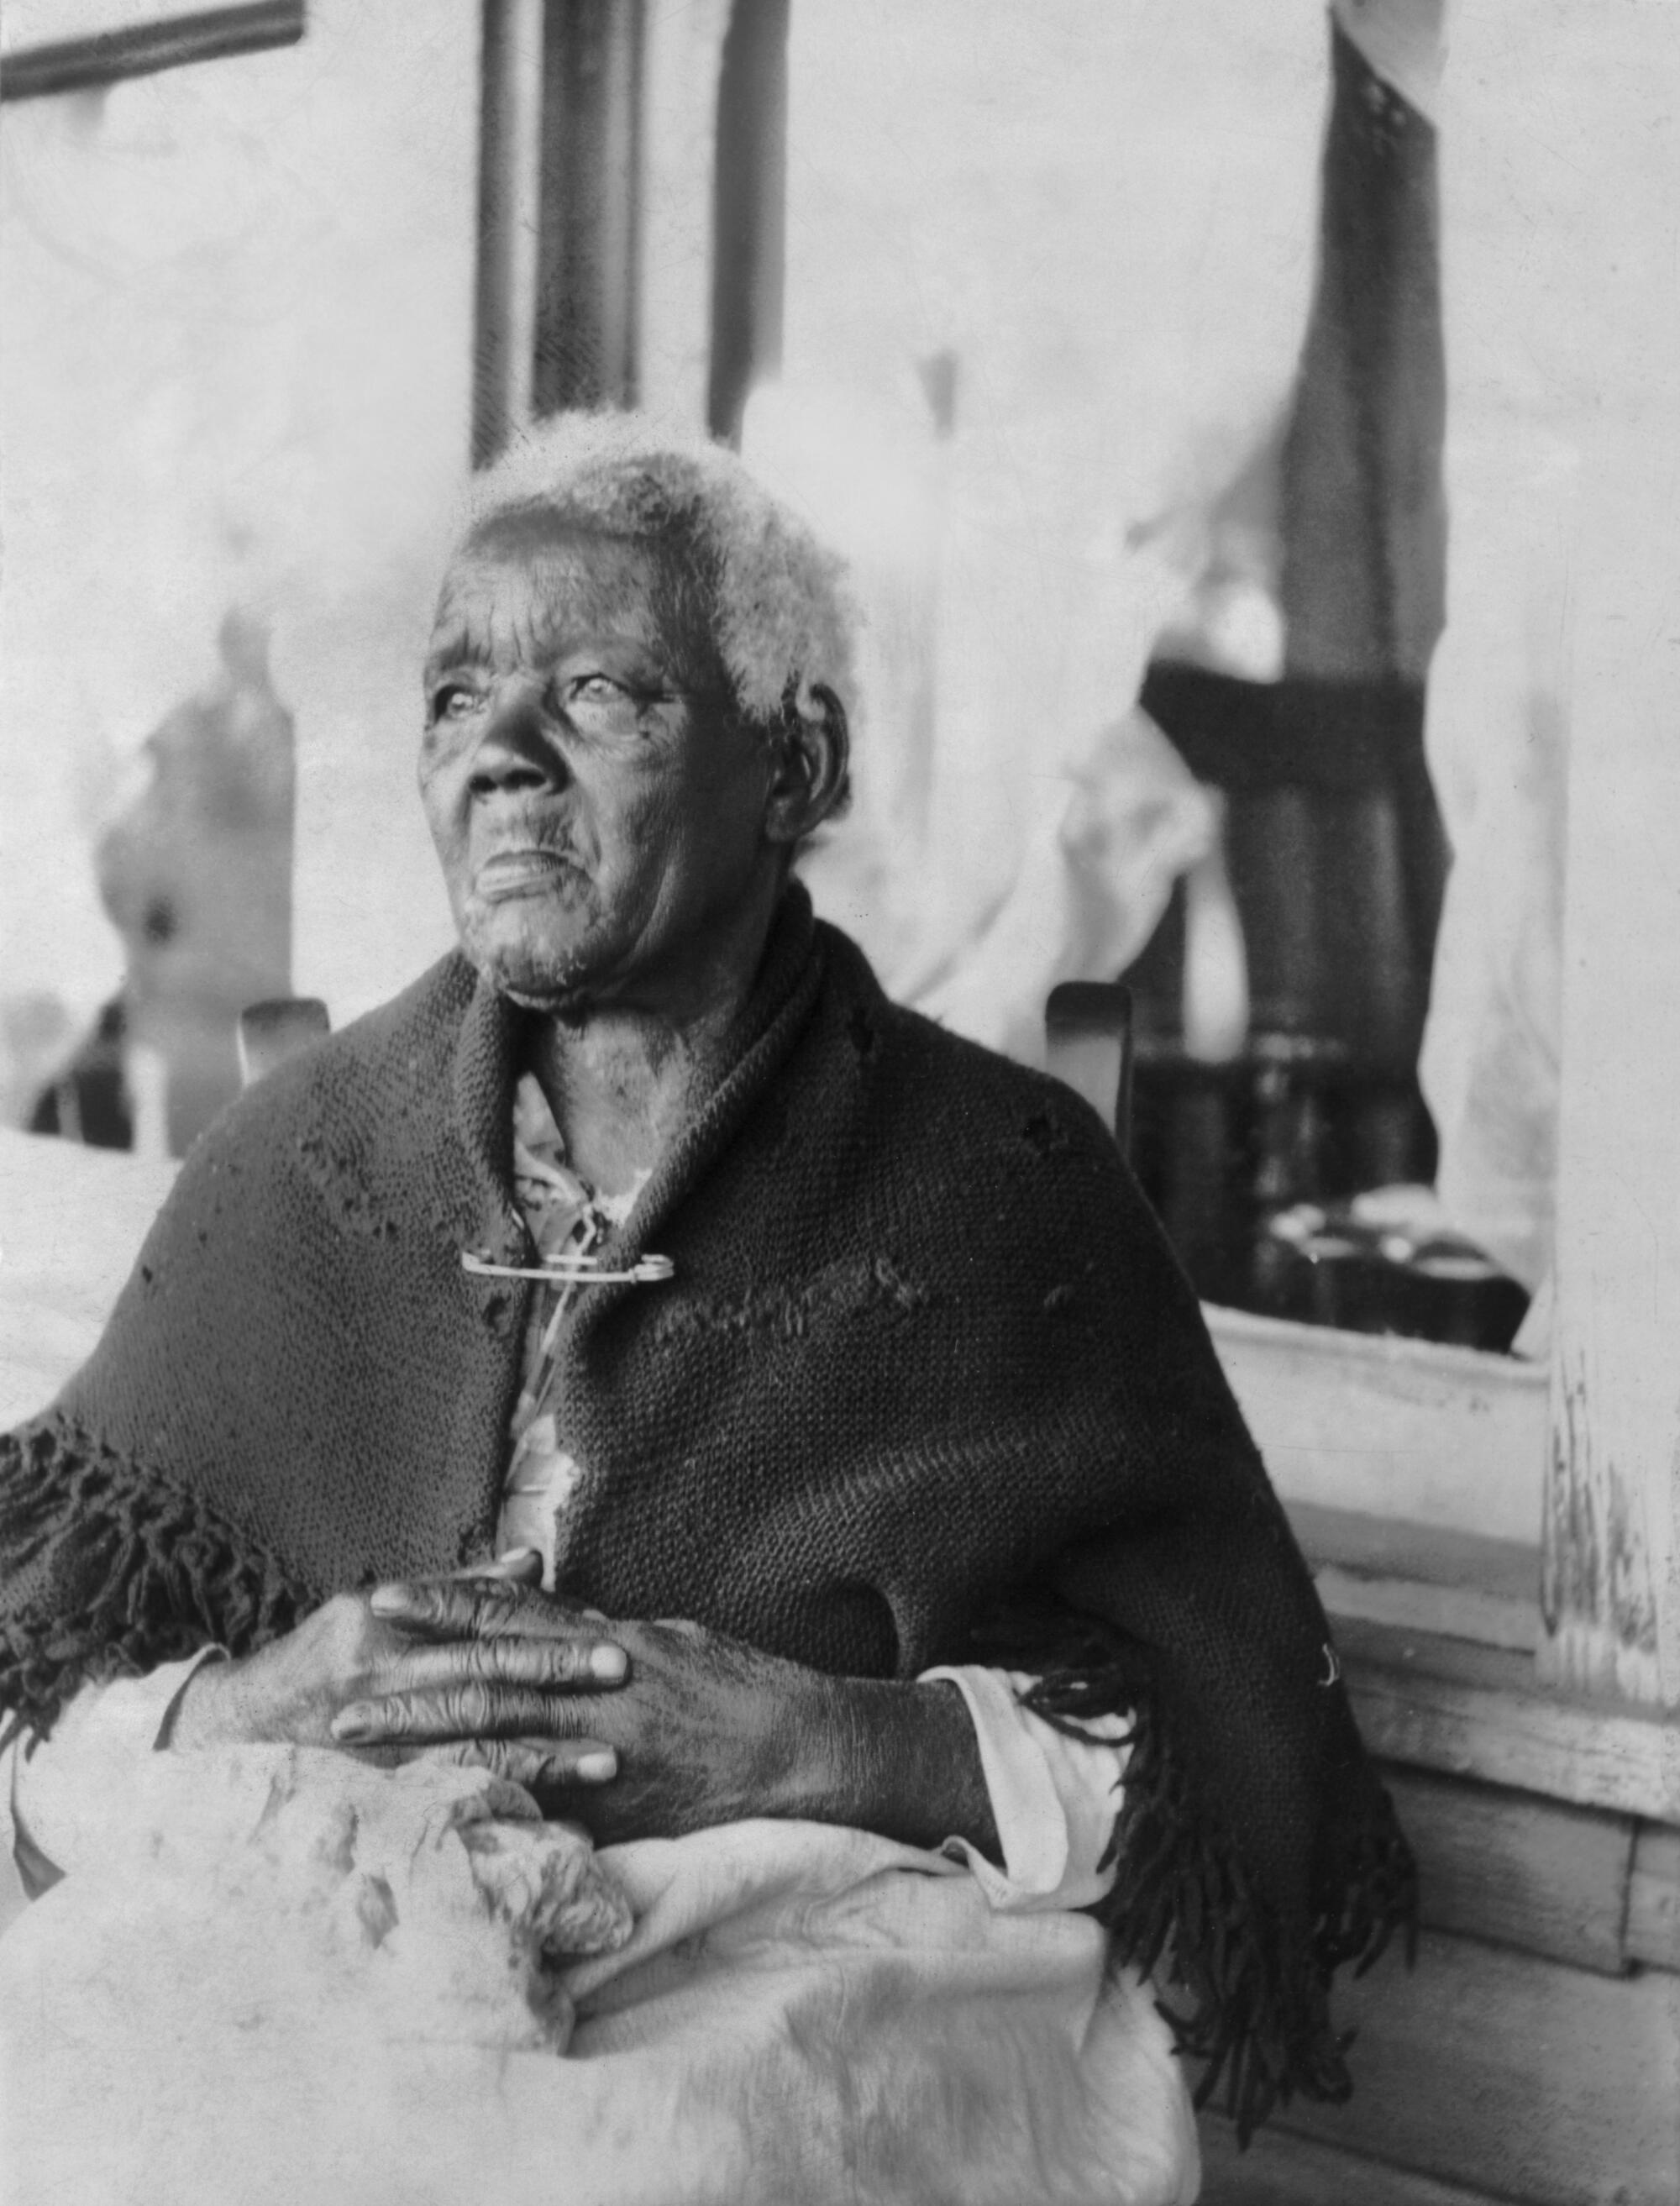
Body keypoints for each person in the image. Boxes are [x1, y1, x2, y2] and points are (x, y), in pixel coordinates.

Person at [0, 413, 1412, 2198]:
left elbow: (1231, 1767)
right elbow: (36, 1709)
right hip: (332, 1958)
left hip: (803, 1984)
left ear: (791, 760)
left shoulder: (997, 1183)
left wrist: (826, 1737)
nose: (497, 760)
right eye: (452, 700)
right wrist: (260, 1700)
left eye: (593, 689)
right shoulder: (302, 1164)